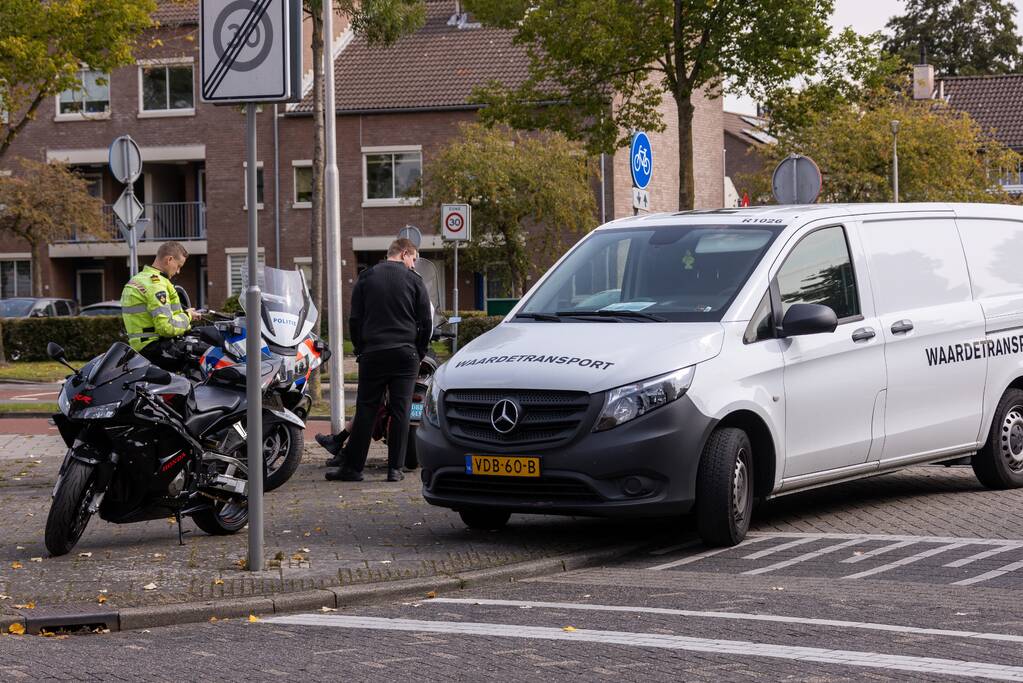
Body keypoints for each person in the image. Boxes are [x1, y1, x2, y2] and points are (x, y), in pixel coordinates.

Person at [319, 238, 432, 482]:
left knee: (366, 408)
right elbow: (425, 322)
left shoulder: (366, 277)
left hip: (374, 354)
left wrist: (361, 349)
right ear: (404, 254)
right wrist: (419, 351)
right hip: (405, 354)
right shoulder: (415, 281)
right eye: (414, 259)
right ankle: (395, 470)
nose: (414, 265)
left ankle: (353, 469)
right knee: (401, 410)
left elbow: (355, 320)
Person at [121, 241, 199, 372]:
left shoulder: (138, 279)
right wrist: (188, 316)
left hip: (140, 348)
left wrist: (185, 314)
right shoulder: (156, 284)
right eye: (178, 266)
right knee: (203, 361)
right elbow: (166, 328)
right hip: (155, 349)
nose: (178, 271)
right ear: (169, 260)